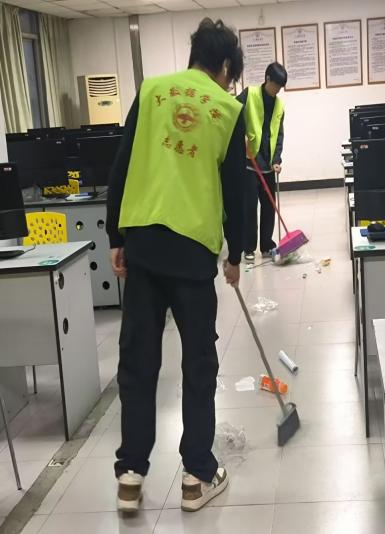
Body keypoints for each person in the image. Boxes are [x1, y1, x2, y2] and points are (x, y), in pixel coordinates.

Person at [106, 18, 245, 514]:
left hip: (143, 245)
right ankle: (197, 476)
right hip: (191, 252)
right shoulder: (227, 108)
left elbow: (122, 164)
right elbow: (236, 188)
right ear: (225, 65)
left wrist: (115, 236)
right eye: (231, 74)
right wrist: (237, 252)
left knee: (138, 362)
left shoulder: (151, 91)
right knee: (198, 364)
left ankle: (130, 475)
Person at [237, 62, 287, 262]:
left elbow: (279, 134)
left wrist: (277, 159)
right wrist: (240, 137)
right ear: (267, 79)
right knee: (250, 207)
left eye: (281, 87)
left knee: (269, 207)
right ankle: (248, 248)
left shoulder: (279, 105)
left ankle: (267, 245)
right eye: (276, 85)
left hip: (268, 164)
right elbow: (232, 114)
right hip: (249, 162)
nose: (278, 90)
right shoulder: (249, 94)